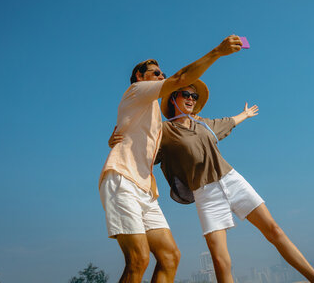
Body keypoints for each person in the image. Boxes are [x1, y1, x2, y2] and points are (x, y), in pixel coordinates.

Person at [109, 81, 314, 283]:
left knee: (275, 231)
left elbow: (229, 122)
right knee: (221, 261)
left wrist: (244, 114)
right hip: (206, 195)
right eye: (186, 94)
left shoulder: (205, 124)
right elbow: (140, 147)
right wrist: (116, 141)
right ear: (173, 98)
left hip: (232, 180)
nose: (191, 99)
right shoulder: (163, 131)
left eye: (194, 97)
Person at [99, 35, 242, 283]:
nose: (161, 76)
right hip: (122, 179)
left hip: (145, 189)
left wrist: (112, 139)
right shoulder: (136, 91)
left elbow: (132, 134)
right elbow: (179, 78)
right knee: (139, 259)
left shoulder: (151, 114)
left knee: (170, 256)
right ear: (140, 78)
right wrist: (217, 51)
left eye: (162, 73)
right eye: (155, 73)